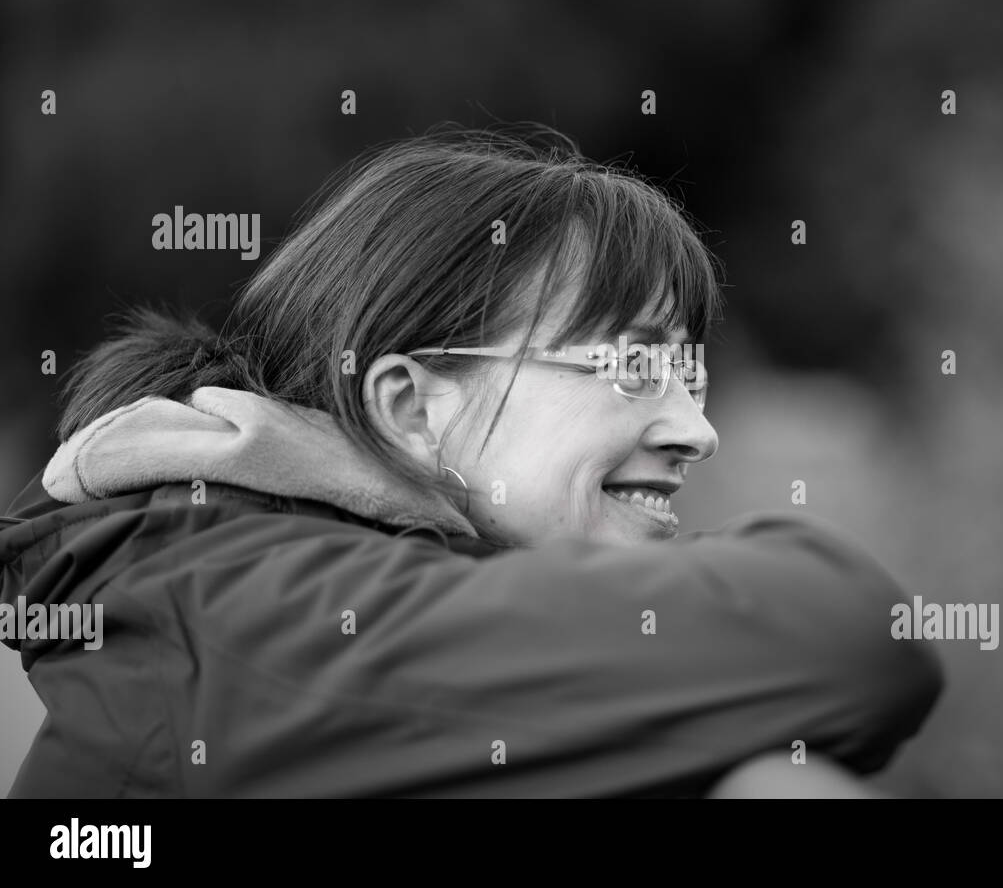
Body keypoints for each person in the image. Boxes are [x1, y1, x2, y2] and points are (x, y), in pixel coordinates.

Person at [0, 124, 942, 797]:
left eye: (691, 374)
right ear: (411, 408)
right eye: (631, 366)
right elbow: (853, 638)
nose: (696, 428)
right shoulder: (253, 607)